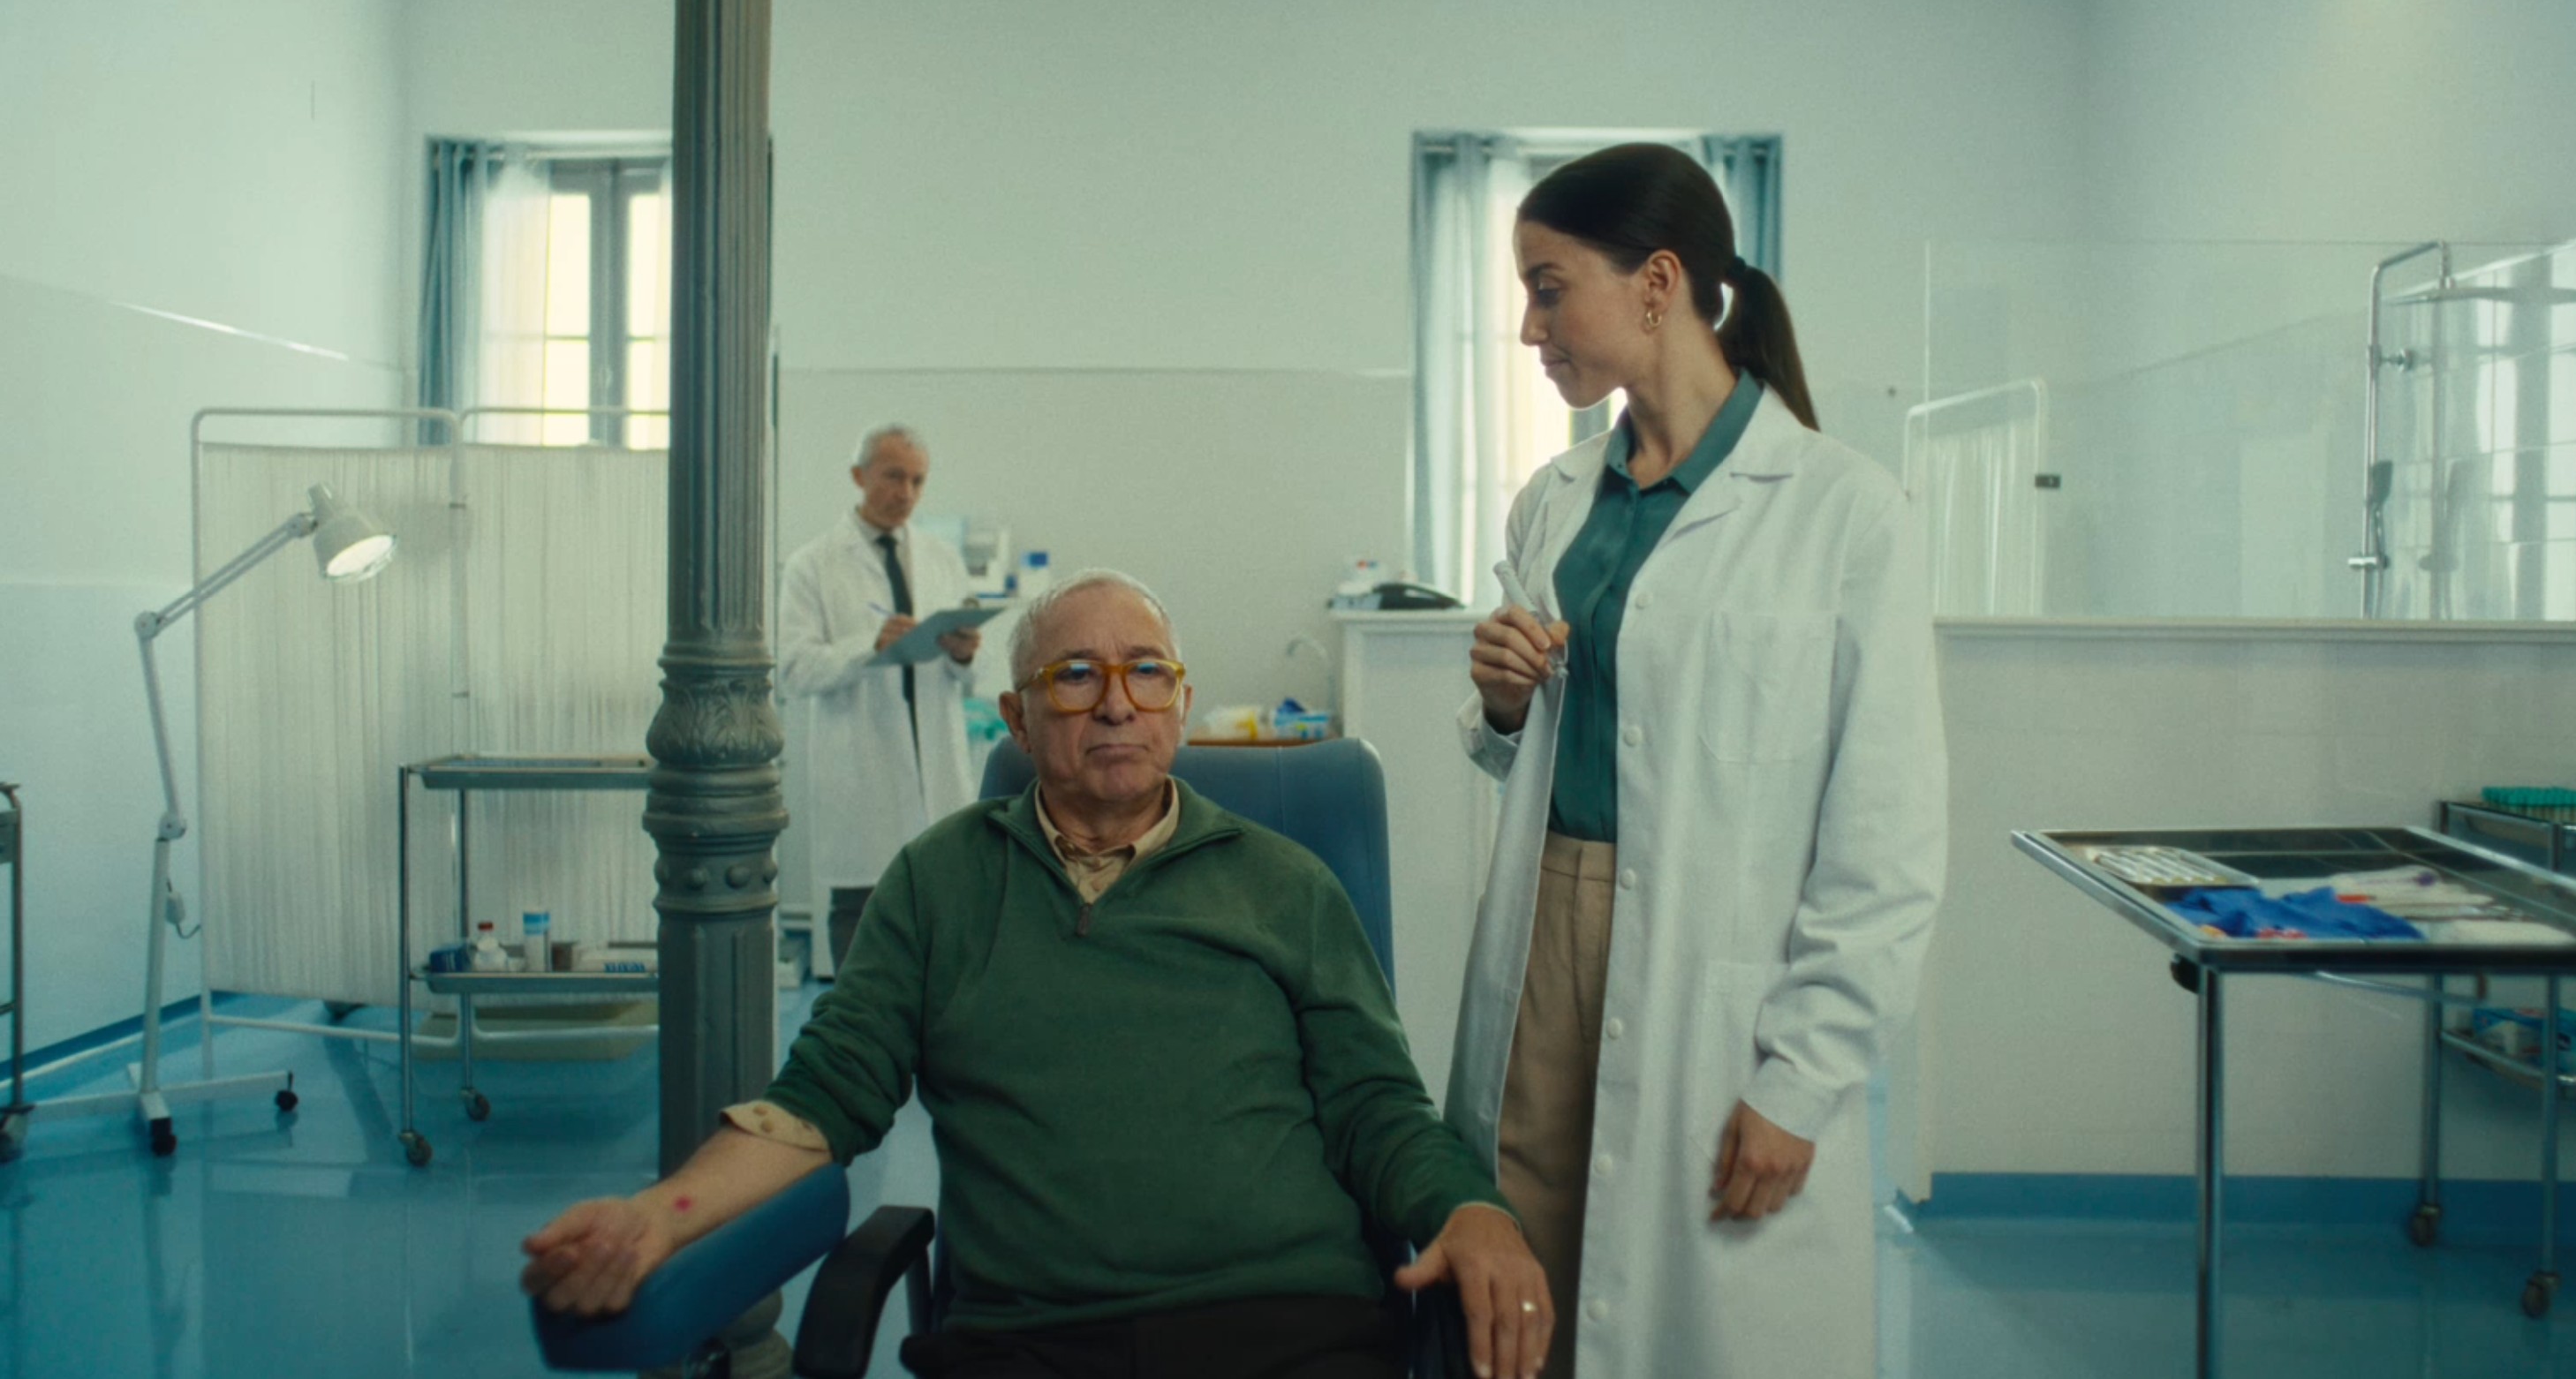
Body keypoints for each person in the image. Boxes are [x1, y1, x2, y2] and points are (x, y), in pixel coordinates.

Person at [526, 571, 1557, 1379]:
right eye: (1074, 676)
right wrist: (653, 1217)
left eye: (1145, 673)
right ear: (1017, 721)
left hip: (1285, 1327)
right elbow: (821, 1098)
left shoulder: (1284, 883)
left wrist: (1473, 1214)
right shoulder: (941, 881)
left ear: (1180, 705)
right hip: (1027, 1342)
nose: (1115, 705)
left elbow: (1377, 1107)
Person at [1450, 144, 1947, 1379]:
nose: (1529, 329)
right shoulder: (1555, 499)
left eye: (1549, 289)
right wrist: (1501, 706)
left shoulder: (1844, 512)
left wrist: (1802, 1079)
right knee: (1526, 1293)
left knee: (1702, 1320)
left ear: (1658, 282)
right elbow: (1532, 747)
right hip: (1546, 942)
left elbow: (1886, 836)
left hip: (1716, 981)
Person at [780, 424, 984, 962]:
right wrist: (867, 647)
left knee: (942, 921)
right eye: (894, 476)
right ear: (858, 475)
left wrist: (964, 653)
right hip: (861, 777)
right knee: (862, 924)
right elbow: (794, 670)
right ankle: (858, 1019)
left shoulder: (943, 560)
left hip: (934, 767)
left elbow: (970, 679)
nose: (906, 493)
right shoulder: (813, 565)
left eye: (918, 480)